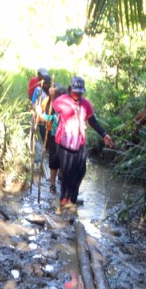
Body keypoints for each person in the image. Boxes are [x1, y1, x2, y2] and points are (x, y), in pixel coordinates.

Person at [51, 76, 114, 207]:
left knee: (80, 171)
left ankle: (72, 198)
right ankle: (64, 199)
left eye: (80, 92)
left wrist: (104, 134)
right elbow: (52, 112)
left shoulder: (85, 104)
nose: (78, 94)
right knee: (67, 171)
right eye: (76, 91)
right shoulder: (61, 101)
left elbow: (92, 121)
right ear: (70, 89)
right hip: (65, 143)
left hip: (79, 143)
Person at [38, 84, 66, 193]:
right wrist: (39, 114)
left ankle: (61, 177)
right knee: (54, 160)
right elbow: (46, 118)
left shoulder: (67, 109)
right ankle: (53, 184)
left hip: (65, 139)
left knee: (63, 160)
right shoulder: (51, 105)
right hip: (53, 136)